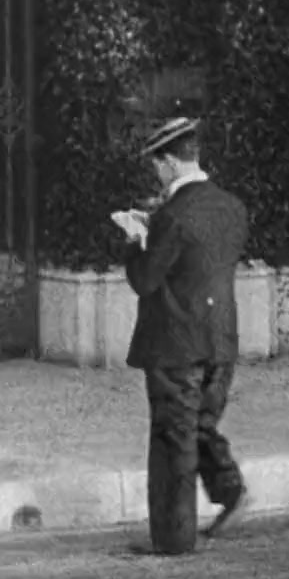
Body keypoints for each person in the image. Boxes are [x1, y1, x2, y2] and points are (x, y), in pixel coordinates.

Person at [111, 116, 250, 555]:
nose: (156, 173)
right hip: (221, 338)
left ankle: (173, 539)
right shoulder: (231, 206)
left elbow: (145, 279)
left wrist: (136, 238)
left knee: (173, 438)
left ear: (170, 162)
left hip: (175, 341)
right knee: (200, 423)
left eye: (157, 165)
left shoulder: (171, 216)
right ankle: (229, 490)